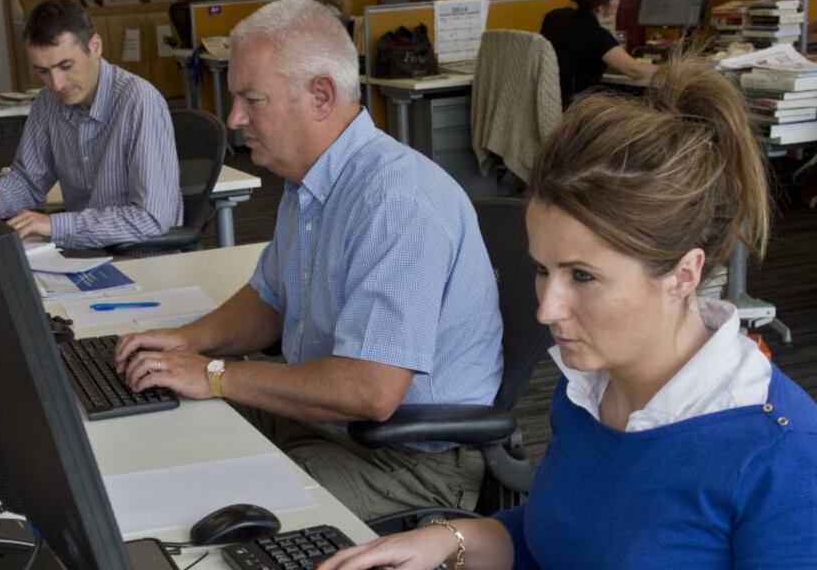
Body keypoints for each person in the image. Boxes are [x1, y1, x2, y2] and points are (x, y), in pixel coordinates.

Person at [319, 58, 817, 569]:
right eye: (541, 269)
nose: (546, 310)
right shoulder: (588, 386)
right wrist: (447, 539)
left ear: (684, 275)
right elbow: (556, 539)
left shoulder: (780, 452)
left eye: (582, 276)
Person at [114, 0, 504, 521]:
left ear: (321, 95)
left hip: (405, 459)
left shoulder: (396, 201)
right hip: (326, 421)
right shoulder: (312, 183)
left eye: (252, 100)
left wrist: (211, 374)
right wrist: (189, 341)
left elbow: (370, 391)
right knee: (159, 438)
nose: (234, 119)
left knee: (208, 512)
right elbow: (270, 300)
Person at [0, 0, 181, 250]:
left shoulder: (139, 102)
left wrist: (55, 225)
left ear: (95, 47)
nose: (57, 84)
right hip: (82, 252)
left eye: (65, 66)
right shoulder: (48, 102)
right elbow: (29, 180)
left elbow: (151, 218)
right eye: (43, 71)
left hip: (142, 257)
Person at [540, 0, 657, 106]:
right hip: (576, 112)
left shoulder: (554, 17)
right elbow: (635, 71)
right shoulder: (596, 35)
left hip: (547, 106)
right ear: (602, 7)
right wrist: (668, 68)